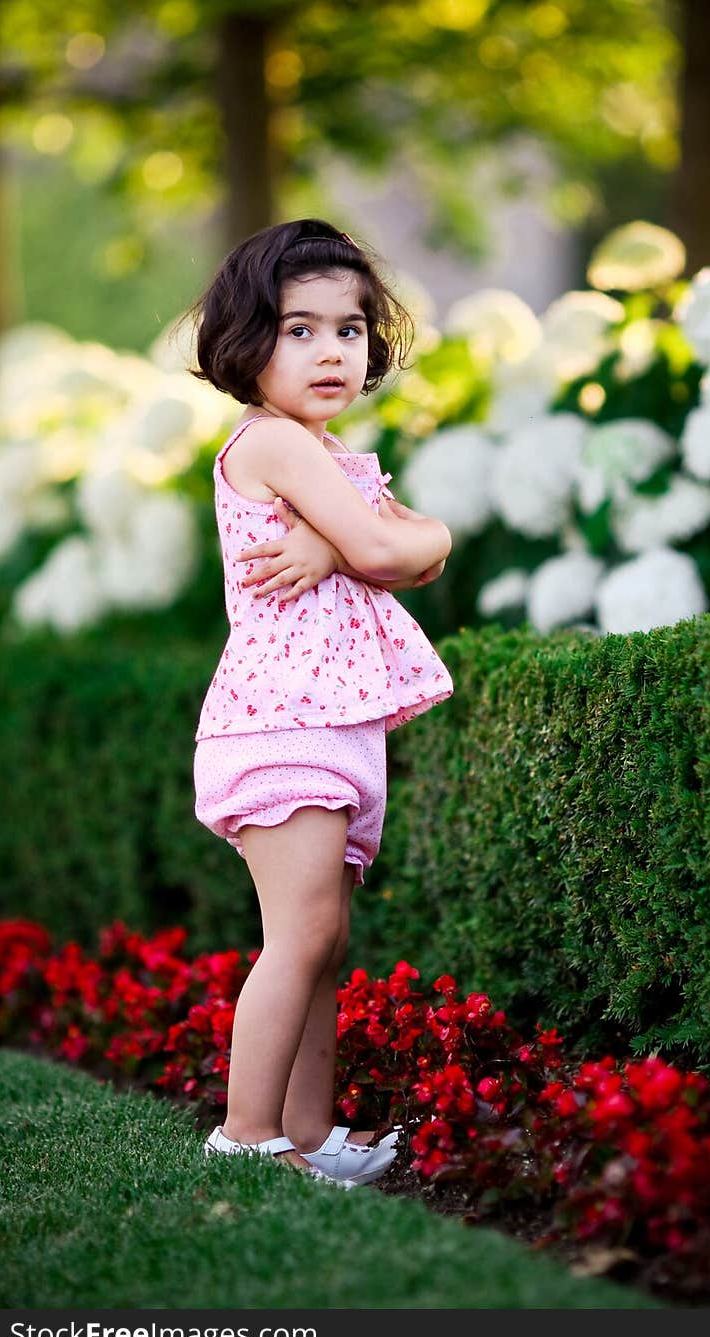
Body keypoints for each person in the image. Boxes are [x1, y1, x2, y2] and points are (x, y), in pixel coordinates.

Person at [187, 219, 453, 1185]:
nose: (331, 349)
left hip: (331, 720)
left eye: (348, 328)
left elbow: (413, 557)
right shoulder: (275, 444)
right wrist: (388, 540)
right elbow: (400, 550)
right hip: (281, 721)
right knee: (296, 934)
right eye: (298, 329)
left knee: (324, 940)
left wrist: (378, 543)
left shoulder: (324, 452)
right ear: (246, 343)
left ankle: (307, 1133)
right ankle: (247, 1134)